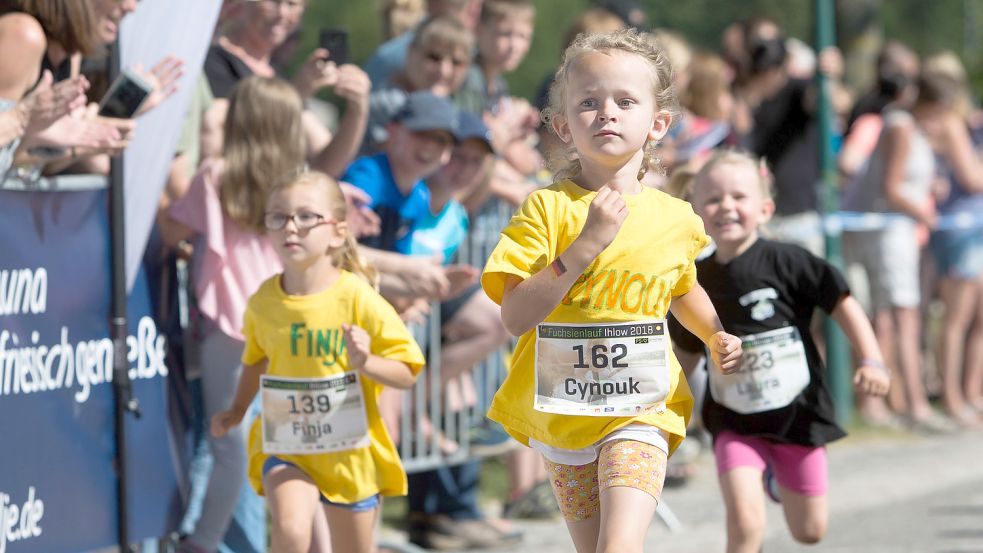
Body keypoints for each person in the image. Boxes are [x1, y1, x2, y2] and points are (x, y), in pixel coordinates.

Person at [480, 29, 742, 553]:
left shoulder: (675, 218)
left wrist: (715, 334)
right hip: (564, 417)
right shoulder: (545, 211)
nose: (607, 113)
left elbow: (682, 289)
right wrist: (581, 249)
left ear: (657, 123)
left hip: (641, 410)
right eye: (588, 103)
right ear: (563, 124)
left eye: (625, 101)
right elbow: (514, 316)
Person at [669, 149, 891, 553]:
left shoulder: (789, 261)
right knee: (746, 524)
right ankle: (757, 478)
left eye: (739, 197)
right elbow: (684, 352)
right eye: (714, 199)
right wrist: (665, 406)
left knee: (809, 531)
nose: (727, 207)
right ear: (696, 211)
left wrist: (872, 359)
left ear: (765, 208)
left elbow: (842, 303)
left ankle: (774, 476)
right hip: (734, 421)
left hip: (797, 416)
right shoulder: (694, 282)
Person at [211, 170, 425, 553]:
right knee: (292, 532)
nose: (291, 227)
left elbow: (407, 372)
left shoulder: (357, 297)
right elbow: (256, 360)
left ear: (338, 232)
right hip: (287, 445)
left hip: (349, 451)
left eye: (306, 217)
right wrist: (237, 410)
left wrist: (366, 362)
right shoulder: (263, 301)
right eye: (278, 216)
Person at [164, 76, 311, 553]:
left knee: (228, 442)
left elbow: (170, 232)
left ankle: (202, 542)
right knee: (295, 446)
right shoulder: (298, 187)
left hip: (231, 328)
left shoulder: (215, 175)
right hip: (289, 320)